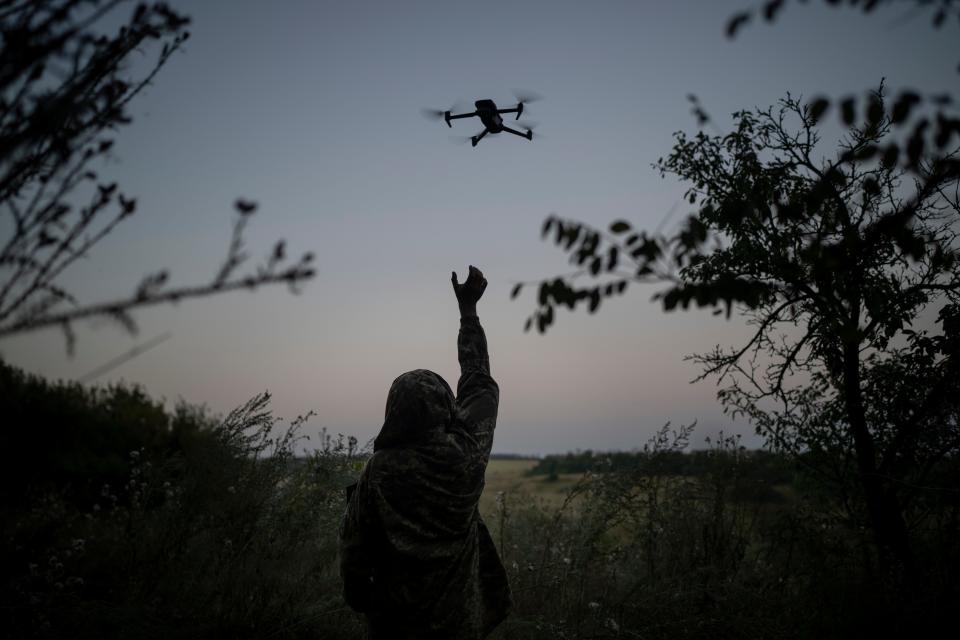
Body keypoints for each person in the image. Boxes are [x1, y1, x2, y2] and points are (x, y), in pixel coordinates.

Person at [339, 265, 511, 639]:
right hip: (459, 625)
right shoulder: (467, 455)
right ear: (446, 408)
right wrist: (468, 313)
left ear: (394, 410)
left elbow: (354, 549)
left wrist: (361, 599)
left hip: (393, 625)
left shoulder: (378, 471)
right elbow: (478, 381)